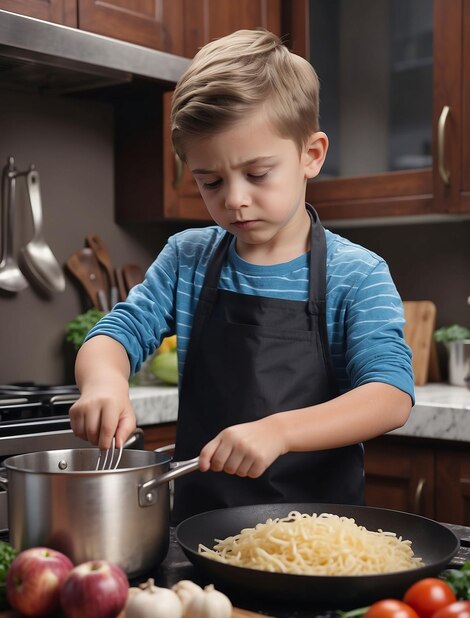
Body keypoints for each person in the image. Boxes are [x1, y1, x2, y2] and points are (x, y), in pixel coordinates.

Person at [70, 29, 414, 523]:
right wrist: (104, 382)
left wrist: (280, 431)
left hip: (316, 547)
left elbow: (389, 396)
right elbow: (116, 333)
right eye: (210, 181)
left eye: (257, 174)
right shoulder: (187, 258)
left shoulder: (356, 274)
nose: (233, 199)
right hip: (197, 537)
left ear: (310, 155)